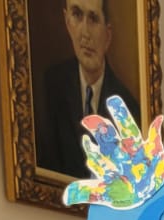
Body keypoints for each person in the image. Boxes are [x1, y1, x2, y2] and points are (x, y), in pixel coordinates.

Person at [37, 0, 140, 177]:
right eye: (77, 15)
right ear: (67, 22)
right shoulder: (52, 85)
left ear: (107, 35)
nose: (85, 33)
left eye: (93, 19)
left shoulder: (127, 108)